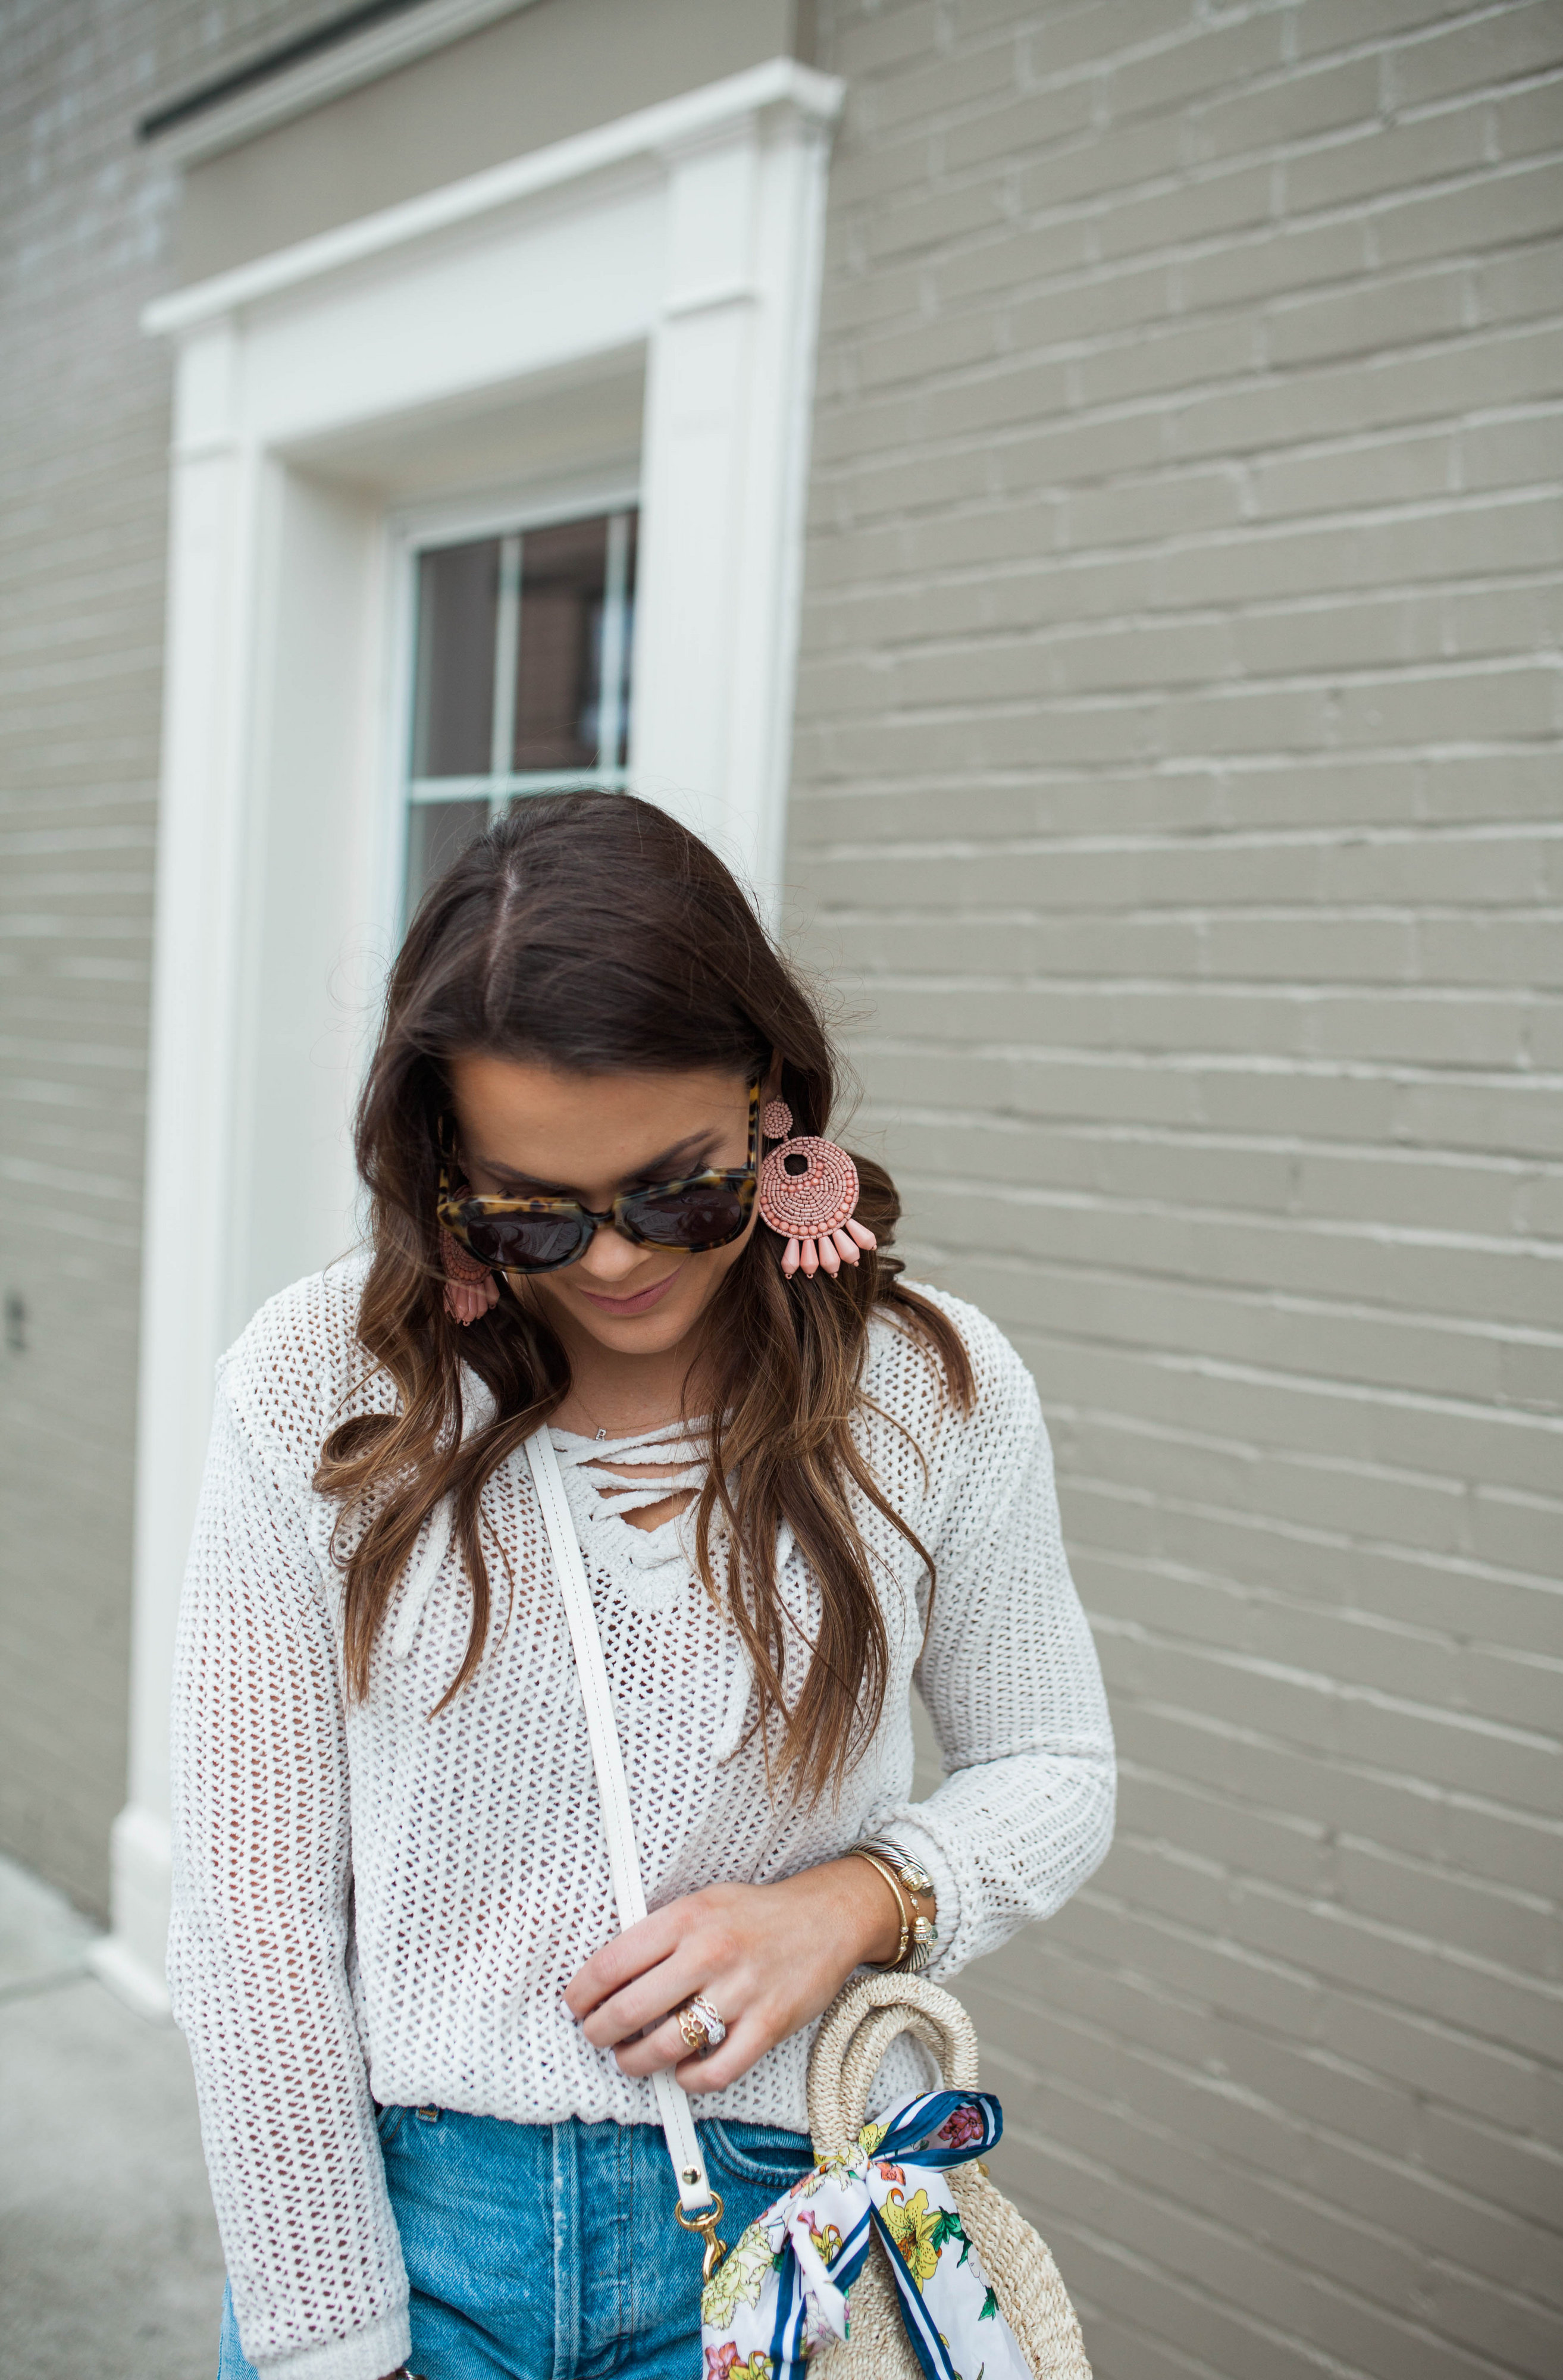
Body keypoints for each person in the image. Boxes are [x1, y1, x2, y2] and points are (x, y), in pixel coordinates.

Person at [171, 792, 1115, 2380]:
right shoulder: (318, 1391)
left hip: (801, 2228)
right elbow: (253, 1917)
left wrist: (855, 1907)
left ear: (769, 1105)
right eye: (526, 1212)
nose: (613, 1262)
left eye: (679, 1191)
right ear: (441, 1171)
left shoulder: (929, 1389)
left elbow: (1057, 1770)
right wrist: (330, 2336)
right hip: (411, 2221)